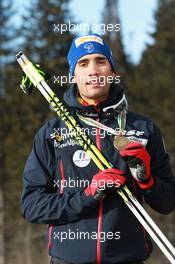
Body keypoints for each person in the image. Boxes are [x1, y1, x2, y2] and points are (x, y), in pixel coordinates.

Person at [20, 34, 175, 264]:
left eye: (101, 61)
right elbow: (32, 206)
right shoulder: (51, 133)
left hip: (128, 259)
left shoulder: (143, 129)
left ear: (112, 72)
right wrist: (87, 195)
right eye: (83, 63)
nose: (93, 71)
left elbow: (168, 202)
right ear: (74, 75)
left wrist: (147, 181)